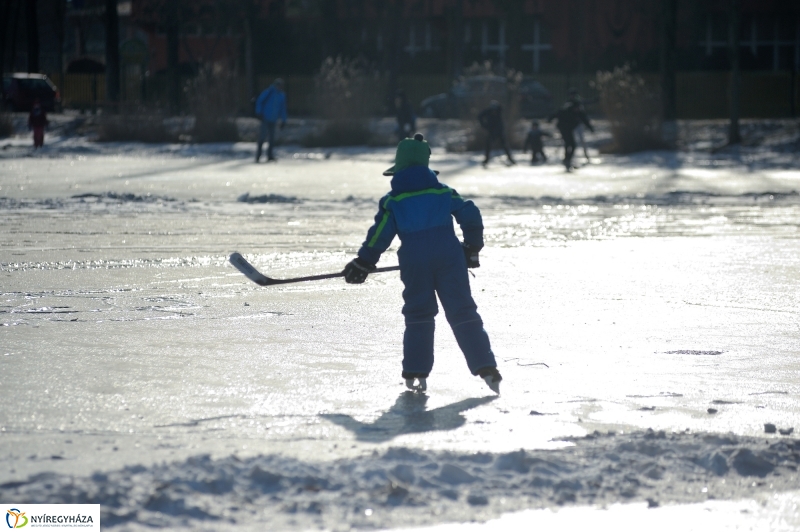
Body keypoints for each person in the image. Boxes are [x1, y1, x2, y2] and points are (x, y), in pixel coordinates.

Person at [342, 133, 502, 394]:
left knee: (419, 314)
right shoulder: (443, 192)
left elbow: (380, 234)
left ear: (399, 169)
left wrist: (364, 262)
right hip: (450, 257)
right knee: (462, 311)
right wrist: (472, 247)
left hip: (414, 262)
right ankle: (486, 366)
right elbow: (470, 213)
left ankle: (416, 370)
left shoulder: (393, 202)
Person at [548, 93, 594, 172]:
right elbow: (557, 113)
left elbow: (584, 119)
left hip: (568, 129)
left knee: (570, 144)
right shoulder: (567, 110)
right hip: (564, 129)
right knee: (570, 144)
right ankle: (567, 159)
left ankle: (567, 159)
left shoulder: (577, 111)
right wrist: (549, 119)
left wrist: (591, 128)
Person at [254, 78, 288, 163]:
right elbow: (259, 101)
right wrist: (258, 112)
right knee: (262, 137)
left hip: (274, 119)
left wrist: (284, 120)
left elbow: (282, 109)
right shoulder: (268, 92)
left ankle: (270, 156)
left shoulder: (281, 95)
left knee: (272, 139)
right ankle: (258, 156)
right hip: (265, 118)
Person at [478, 100, 515, 167]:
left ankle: (510, 159)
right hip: (491, 131)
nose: (494, 111)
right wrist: (484, 125)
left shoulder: (499, 111)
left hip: (500, 131)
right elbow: (480, 116)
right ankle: (486, 160)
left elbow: (502, 110)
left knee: (504, 145)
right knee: (488, 145)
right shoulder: (488, 112)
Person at [568, 88, 591, 163]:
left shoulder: (579, 103)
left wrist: (589, 126)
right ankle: (571, 157)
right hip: (571, 126)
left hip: (578, 125)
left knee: (581, 140)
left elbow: (583, 116)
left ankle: (586, 155)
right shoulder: (568, 104)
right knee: (572, 142)